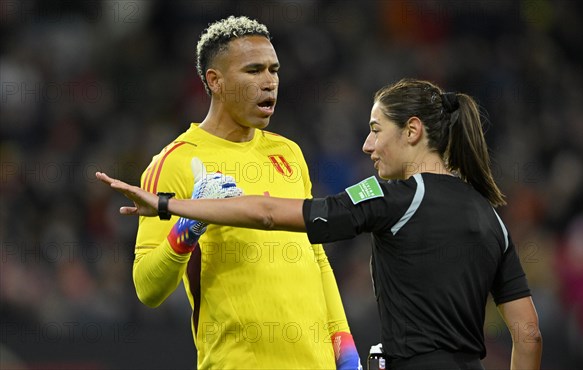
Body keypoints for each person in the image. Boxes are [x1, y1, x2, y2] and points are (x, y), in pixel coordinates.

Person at [98, 78, 543, 370]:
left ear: (412, 131)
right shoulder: (490, 217)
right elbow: (529, 333)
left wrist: (170, 204)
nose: (367, 144)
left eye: (375, 129)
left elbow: (270, 213)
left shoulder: (392, 198)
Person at [126, 15, 361, 369]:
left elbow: (317, 259)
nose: (269, 83)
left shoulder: (289, 154)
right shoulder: (177, 162)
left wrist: (345, 349)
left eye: (274, 70)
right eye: (253, 71)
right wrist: (187, 225)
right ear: (215, 81)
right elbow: (147, 288)